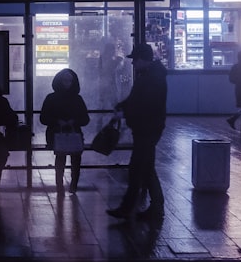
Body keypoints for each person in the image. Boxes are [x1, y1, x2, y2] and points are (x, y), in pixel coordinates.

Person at [106, 43, 168, 223]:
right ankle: (156, 207)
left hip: (146, 128)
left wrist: (124, 111)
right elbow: (138, 100)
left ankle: (127, 208)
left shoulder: (151, 78)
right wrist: (123, 107)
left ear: (142, 59)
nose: (133, 63)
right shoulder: (152, 75)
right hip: (148, 128)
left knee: (136, 169)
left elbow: (144, 104)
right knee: (146, 168)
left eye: (135, 60)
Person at [40, 68, 91, 193]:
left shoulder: (51, 98)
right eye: (65, 80)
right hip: (74, 134)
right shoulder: (77, 99)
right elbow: (85, 119)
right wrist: (73, 121)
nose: (67, 83)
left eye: (69, 81)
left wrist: (57, 121)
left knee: (60, 158)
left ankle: (61, 185)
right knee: (75, 159)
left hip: (56, 133)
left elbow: (44, 118)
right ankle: (72, 185)